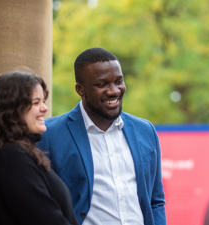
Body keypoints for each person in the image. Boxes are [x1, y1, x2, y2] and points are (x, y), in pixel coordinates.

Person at [36, 47, 166, 225]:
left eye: (118, 81)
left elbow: (155, 200)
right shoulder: (49, 135)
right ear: (80, 89)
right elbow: (42, 204)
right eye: (102, 84)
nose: (113, 91)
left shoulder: (145, 130)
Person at [0, 71, 79, 225]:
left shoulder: (16, 153)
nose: (44, 108)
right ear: (12, 110)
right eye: (36, 103)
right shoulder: (11, 157)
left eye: (43, 101)